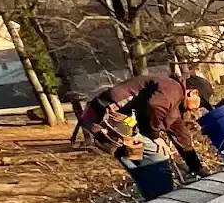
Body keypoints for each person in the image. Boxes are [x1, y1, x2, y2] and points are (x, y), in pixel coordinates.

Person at [80, 73, 216, 177]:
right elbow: (154, 106)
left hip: (121, 121)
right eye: (201, 103)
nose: (198, 109)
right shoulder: (173, 89)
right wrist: (155, 136)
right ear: (193, 92)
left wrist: (197, 167)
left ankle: (154, 193)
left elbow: (181, 133)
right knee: (156, 157)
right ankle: (158, 196)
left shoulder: (173, 101)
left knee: (139, 161)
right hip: (106, 118)